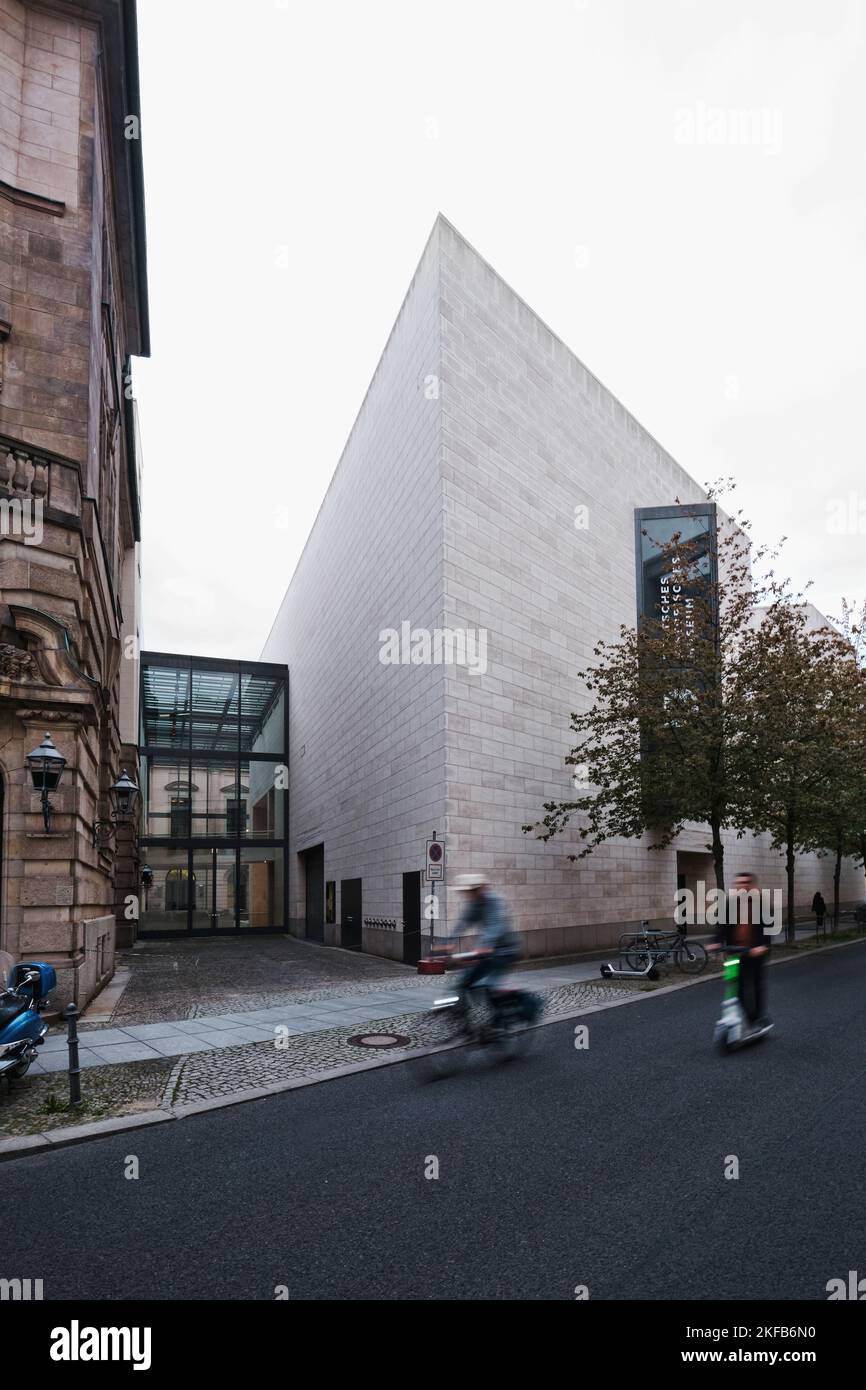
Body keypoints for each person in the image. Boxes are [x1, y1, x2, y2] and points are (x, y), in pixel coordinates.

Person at [437, 874, 520, 1023]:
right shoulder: (474, 904)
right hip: (486, 951)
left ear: (479, 889)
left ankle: (499, 1021)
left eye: (471, 891)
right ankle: (465, 1022)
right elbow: (462, 924)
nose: (468, 894)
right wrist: (448, 943)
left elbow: (496, 925)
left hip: (505, 951)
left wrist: (485, 946)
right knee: (464, 981)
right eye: (467, 891)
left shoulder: (495, 901)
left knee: (489, 986)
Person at [709, 871, 771, 1029]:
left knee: (756, 986)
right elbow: (721, 927)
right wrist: (715, 942)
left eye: (746, 883)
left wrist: (763, 945)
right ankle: (747, 1018)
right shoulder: (729, 904)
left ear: (752, 886)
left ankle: (758, 1018)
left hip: (755, 953)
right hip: (734, 953)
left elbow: (768, 928)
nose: (742, 886)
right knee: (736, 987)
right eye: (739, 884)